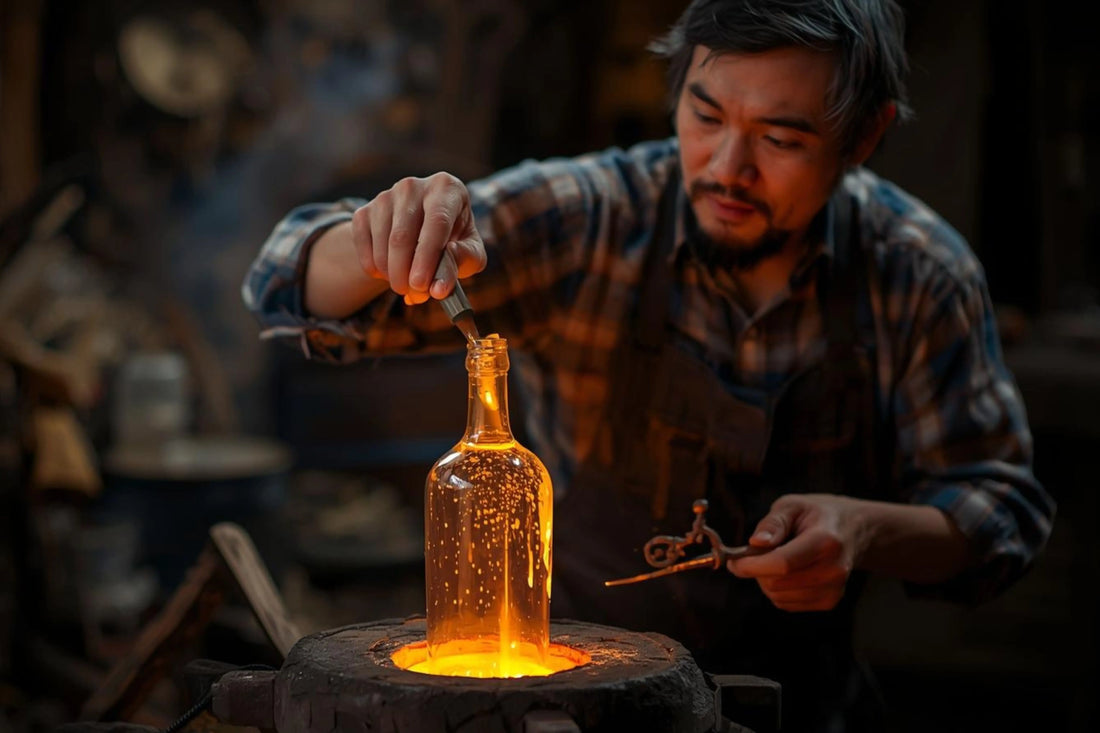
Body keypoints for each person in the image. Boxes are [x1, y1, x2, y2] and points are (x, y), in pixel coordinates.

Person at [243, 1, 1055, 729]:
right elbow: (280, 282)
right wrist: (373, 239)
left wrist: (866, 527)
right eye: (704, 115)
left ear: (865, 134)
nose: (726, 167)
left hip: (800, 705)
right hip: (567, 707)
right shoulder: (593, 217)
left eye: (780, 138)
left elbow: (1001, 513)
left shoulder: (917, 274)